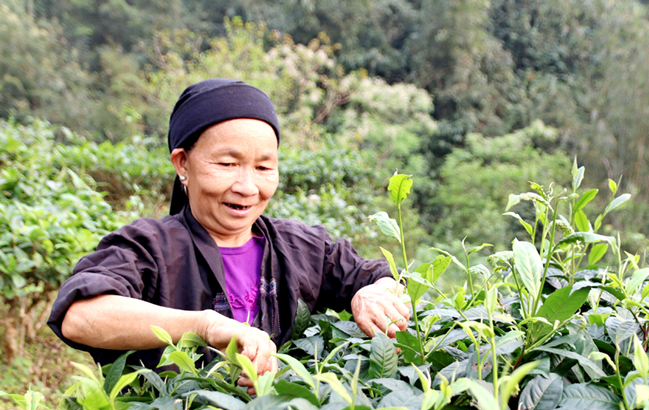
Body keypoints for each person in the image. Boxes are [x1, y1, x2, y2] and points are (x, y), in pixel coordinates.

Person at [48, 78, 409, 388]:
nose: (248, 186)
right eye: (227, 164)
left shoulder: (302, 247)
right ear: (182, 164)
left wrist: (376, 293)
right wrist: (203, 326)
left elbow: (376, 275)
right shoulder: (148, 246)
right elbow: (80, 316)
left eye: (264, 166)